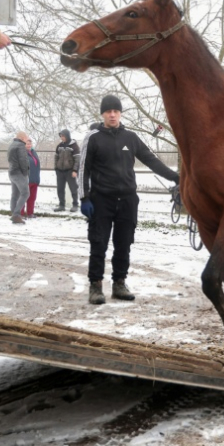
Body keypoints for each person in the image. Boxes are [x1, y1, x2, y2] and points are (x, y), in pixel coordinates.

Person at [79, 95, 179, 305]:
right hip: (101, 200)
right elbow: (83, 170)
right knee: (99, 243)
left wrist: (177, 177)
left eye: (116, 111)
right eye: (108, 111)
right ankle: (95, 286)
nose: (112, 114)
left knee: (124, 243)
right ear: (103, 114)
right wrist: (84, 198)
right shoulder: (93, 137)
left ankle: (119, 283)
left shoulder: (131, 138)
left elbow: (152, 160)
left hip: (127, 200)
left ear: (121, 113)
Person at [54, 129, 81, 212]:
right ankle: (61, 205)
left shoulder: (74, 146)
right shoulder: (59, 146)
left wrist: (75, 170)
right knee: (60, 189)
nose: (62, 138)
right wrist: (56, 168)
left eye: (63, 136)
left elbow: (77, 159)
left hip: (70, 171)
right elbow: (56, 157)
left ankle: (75, 204)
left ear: (67, 136)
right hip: (60, 171)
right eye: (61, 136)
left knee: (73, 188)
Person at [7, 131, 30, 224]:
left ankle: (14, 214)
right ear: (22, 138)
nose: (27, 139)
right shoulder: (20, 146)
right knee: (25, 193)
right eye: (26, 138)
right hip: (18, 173)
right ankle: (16, 214)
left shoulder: (11, 144)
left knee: (15, 194)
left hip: (11, 172)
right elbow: (23, 160)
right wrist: (25, 173)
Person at [21, 137, 41, 219]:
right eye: (27, 143)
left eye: (30, 143)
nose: (29, 145)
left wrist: (38, 179)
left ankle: (30, 213)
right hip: (26, 179)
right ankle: (20, 214)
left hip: (34, 179)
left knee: (32, 197)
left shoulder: (33, 152)